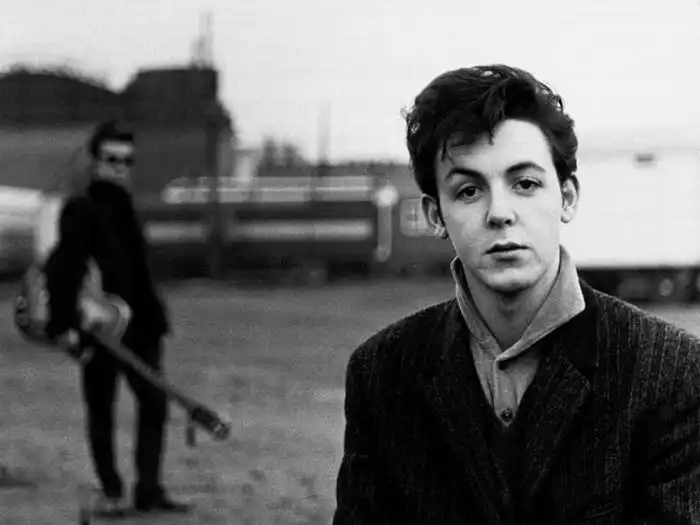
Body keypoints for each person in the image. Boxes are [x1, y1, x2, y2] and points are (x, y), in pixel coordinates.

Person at [332, 65, 700, 524]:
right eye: (469, 190)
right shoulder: (382, 373)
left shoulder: (672, 373)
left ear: (567, 197)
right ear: (435, 216)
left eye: (525, 184)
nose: (499, 213)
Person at [42, 120, 190, 516]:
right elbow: (63, 268)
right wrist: (64, 325)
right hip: (101, 327)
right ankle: (111, 492)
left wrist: (155, 317)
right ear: (94, 161)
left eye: (127, 161)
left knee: (154, 403)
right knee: (101, 409)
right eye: (111, 159)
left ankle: (148, 490)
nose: (120, 168)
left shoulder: (127, 209)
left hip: (140, 326)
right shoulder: (81, 209)